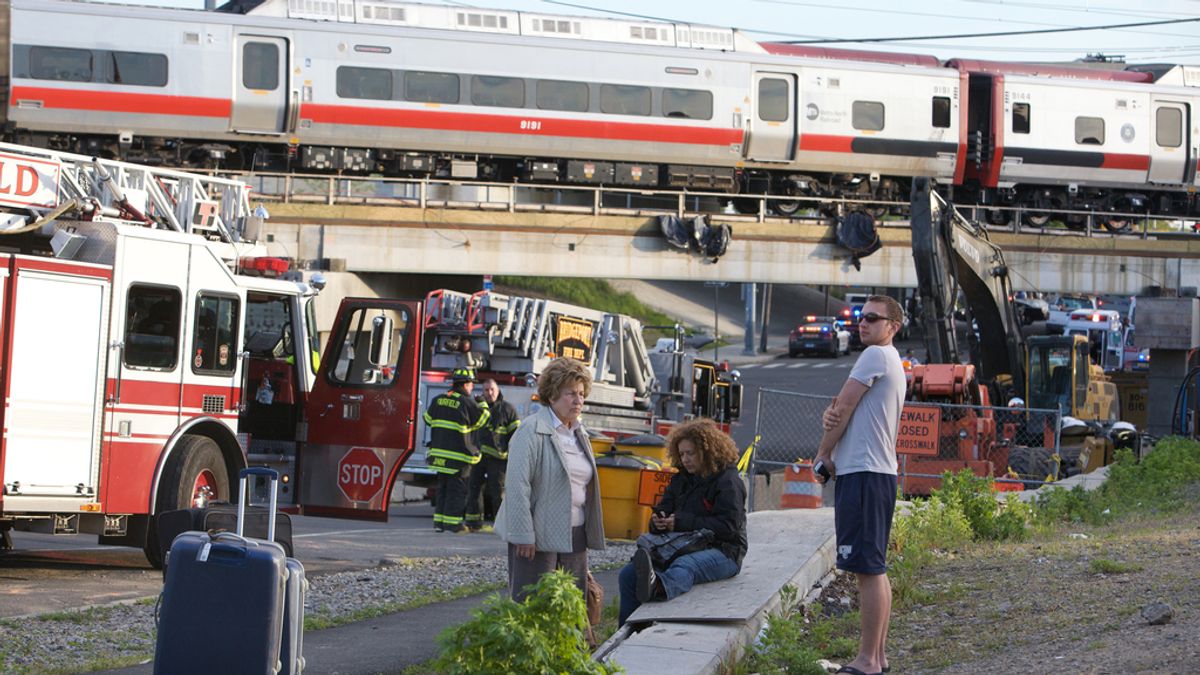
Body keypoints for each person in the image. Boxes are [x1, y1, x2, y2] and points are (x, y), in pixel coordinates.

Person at [816, 295, 906, 675]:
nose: (863, 323)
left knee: (866, 569)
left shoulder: (874, 356)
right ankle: (878, 658)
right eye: (860, 316)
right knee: (874, 567)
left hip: (864, 473)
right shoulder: (891, 360)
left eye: (872, 317)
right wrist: (835, 414)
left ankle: (868, 660)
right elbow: (841, 408)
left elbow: (843, 407)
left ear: (892, 326)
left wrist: (822, 454)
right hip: (878, 472)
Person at [493, 357, 605, 601]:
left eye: (581, 394)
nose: (578, 401)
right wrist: (523, 534)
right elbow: (517, 486)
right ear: (552, 395)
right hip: (537, 538)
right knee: (534, 606)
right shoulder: (531, 430)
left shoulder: (579, 432)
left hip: (575, 535)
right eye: (570, 394)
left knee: (570, 606)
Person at [617, 418, 747, 626]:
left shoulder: (728, 482)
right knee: (628, 574)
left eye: (691, 453)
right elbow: (663, 510)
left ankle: (659, 587)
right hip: (684, 544)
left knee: (684, 566)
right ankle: (628, 631)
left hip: (725, 551)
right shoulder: (681, 479)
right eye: (682, 454)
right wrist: (657, 522)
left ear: (708, 451)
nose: (685, 459)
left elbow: (728, 528)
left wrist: (679, 523)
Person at [424, 368, 490, 533]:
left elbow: (427, 419)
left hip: (439, 455)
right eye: (471, 384)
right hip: (458, 457)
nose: (471, 388)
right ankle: (454, 525)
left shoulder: (438, 399)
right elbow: (482, 420)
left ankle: (439, 523)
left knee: (442, 490)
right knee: (457, 491)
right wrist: (482, 403)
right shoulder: (467, 403)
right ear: (466, 384)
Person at [464, 378, 520, 530]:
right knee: (474, 488)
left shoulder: (508, 409)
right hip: (478, 456)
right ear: (482, 392)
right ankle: (473, 523)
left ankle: (500, 524)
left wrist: (511, 454)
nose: (489, 393)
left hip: (499, 458)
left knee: (498, 491)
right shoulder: (477, 408)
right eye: (486, 390)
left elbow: (516, 435)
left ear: (498, 390)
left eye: (492, 390)